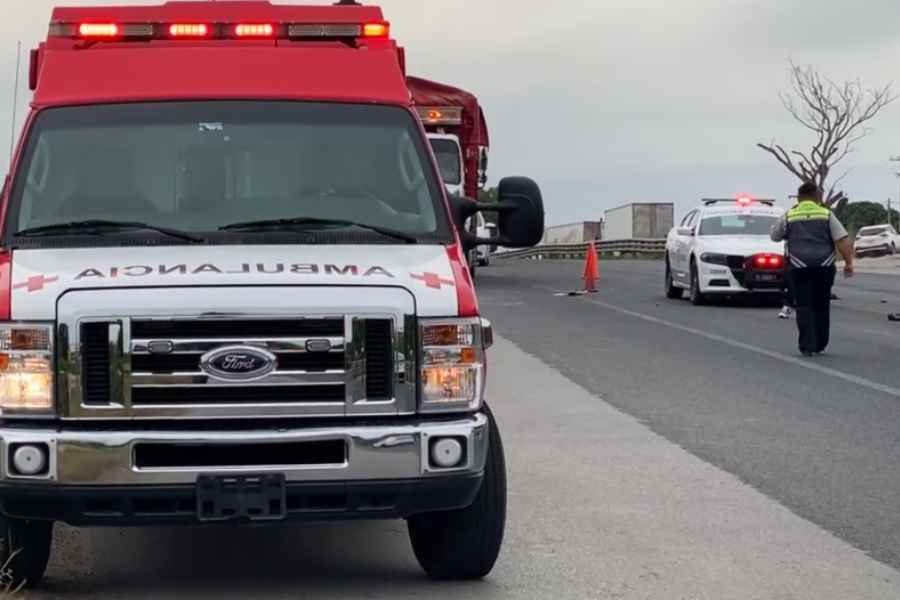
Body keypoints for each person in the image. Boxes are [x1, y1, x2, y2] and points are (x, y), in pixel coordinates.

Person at [770, 182, 854, 356]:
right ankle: (821, 343)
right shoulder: (826, 214)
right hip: (824, 267)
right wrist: (848, 263)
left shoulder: (790, 216)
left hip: (799, 267)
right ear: (817, 197)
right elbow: (842, 240)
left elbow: (774, 236)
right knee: (822, 305)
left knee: (803, 305)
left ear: (799, 197)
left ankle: (807, 345)